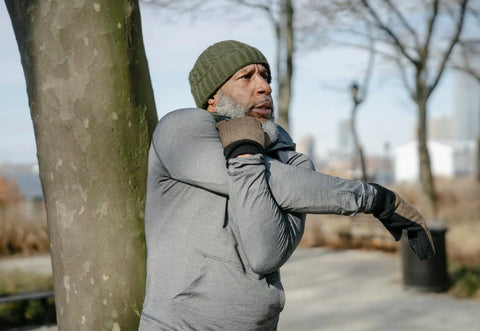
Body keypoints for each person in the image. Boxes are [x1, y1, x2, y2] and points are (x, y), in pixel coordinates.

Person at [138, 40, 435, 330]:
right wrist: (375, 198)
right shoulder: (180, 130)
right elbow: (276, 182)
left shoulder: (295, 163)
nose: (265, 86)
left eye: (265, 76)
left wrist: (246, 153)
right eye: (246, 76)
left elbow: (266, 254)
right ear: (212, 97)